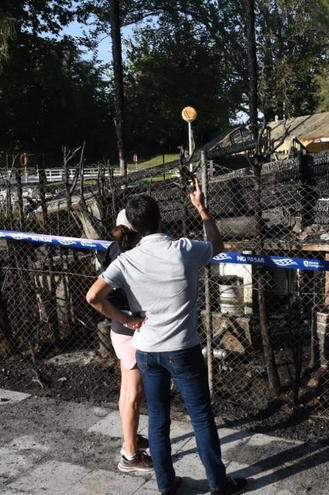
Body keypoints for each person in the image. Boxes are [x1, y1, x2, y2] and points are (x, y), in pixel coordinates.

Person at [85, 178, 247, 495]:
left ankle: (167, 485)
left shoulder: (125, 260)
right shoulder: (184, 249)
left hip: (147, 351)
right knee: (201, 418)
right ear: (161, 218)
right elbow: (217, 246)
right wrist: (202, 210)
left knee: (158, 420)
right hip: (183, 349)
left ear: (132, 226)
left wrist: (125, 319)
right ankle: (218, 483)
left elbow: (93, 296)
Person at [95, 210, 154, 473]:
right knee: (133, 393)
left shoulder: (113, 250)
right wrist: (128, 319)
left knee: (127, 390)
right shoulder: (134, 255)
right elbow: (96, 295)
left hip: (122, 326)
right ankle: (130, 455)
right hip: (131, 326)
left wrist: (121, 318)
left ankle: (131, 440)